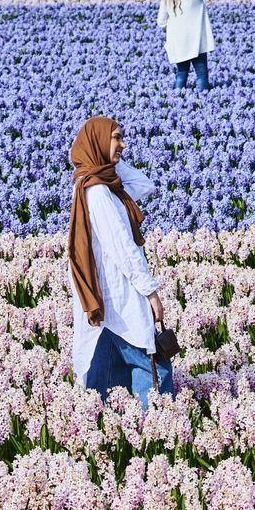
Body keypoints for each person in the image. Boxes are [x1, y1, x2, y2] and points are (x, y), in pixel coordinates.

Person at [68, 117, 174, 410]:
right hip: (120, 295)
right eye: (116, 138)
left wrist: (109, 158)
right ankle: (158, 429)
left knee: (104, 379)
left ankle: (119, 433)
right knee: (154, 367)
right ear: (99, 143)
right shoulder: (98, 192)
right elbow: (124, 249)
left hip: (107, 301)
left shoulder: (101, 183)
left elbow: (144, 186)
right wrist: (151, 293)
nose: (123, 145)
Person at [157, 0, 244, 91]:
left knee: (181, 74)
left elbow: (161, 23)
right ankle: (204, 101)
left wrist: (176, 28)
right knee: (202, 74)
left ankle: (176, 100)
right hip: (197, 41)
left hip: (179, 43)